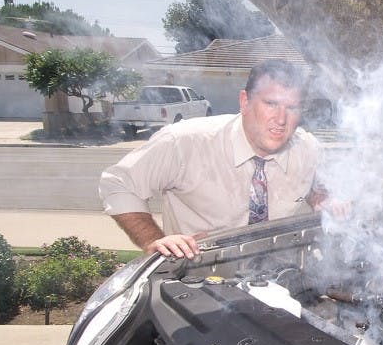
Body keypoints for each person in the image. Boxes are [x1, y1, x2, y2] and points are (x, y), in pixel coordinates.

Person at [100, 60, 321, 259]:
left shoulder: (307, 148)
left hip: (279, 279)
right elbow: (118, 183)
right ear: (244, 101)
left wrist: (323, 200)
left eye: (292, 108)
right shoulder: (184, 142)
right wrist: (153, 240)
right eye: (271, 104)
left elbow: (313, 186)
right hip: (198, 282)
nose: (281, 119)